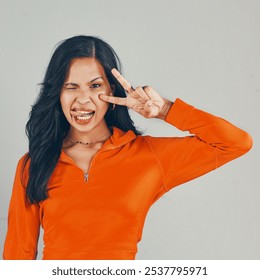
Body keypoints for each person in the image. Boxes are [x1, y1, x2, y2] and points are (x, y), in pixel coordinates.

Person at [3, 35, 252, 260]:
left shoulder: (147, 155)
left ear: (112, 89)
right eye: (71, 86)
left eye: (95, 85)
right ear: (57, 92)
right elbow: (18, 253)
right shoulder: (34, 164)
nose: (82, 99)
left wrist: (165, 110)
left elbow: (235, 143)